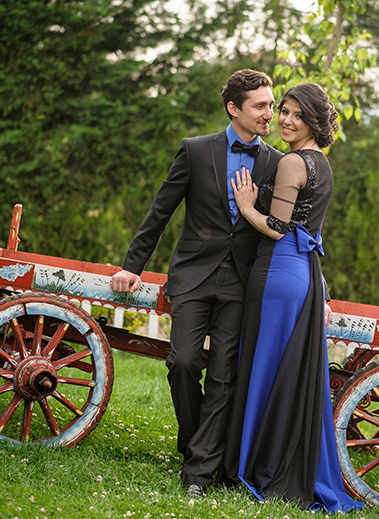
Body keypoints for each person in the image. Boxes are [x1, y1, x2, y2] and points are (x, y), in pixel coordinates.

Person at [110, 69, 283, 497]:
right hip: (193, 276)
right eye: (261, 105)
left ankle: (199, 472)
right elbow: (160, 211)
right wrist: (132, 266)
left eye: (271, 104)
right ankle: (195, 445)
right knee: (183, 363)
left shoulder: (278, 163)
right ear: (233, 108)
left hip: (242, 283)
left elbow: (292, 229)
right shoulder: (195, 150)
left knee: (224, 375)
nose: (270, 113)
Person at [224, 83, 364, 513]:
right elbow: (310, 231)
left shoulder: (292, 162)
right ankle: (270, 458)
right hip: (302, 274)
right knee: (282, 369)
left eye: (296, 115)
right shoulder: (323, 164)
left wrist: (247, 206)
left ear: (314, 122)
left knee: (264, 367)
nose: (285, 120)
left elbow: (278, 227)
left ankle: (255, 464)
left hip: (277, 272)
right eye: (283, 111)